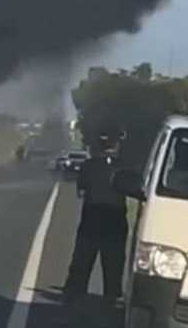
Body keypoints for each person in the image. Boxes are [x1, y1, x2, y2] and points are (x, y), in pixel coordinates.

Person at [63, 131, 128, 306]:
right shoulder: (124, 166)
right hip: (115, 223)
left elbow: (81, 191)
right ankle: (112, 295)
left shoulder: (89, 166)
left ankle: (75, 293)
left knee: (82, 259)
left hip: (91, 220)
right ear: (116, 147)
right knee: (113, 262)